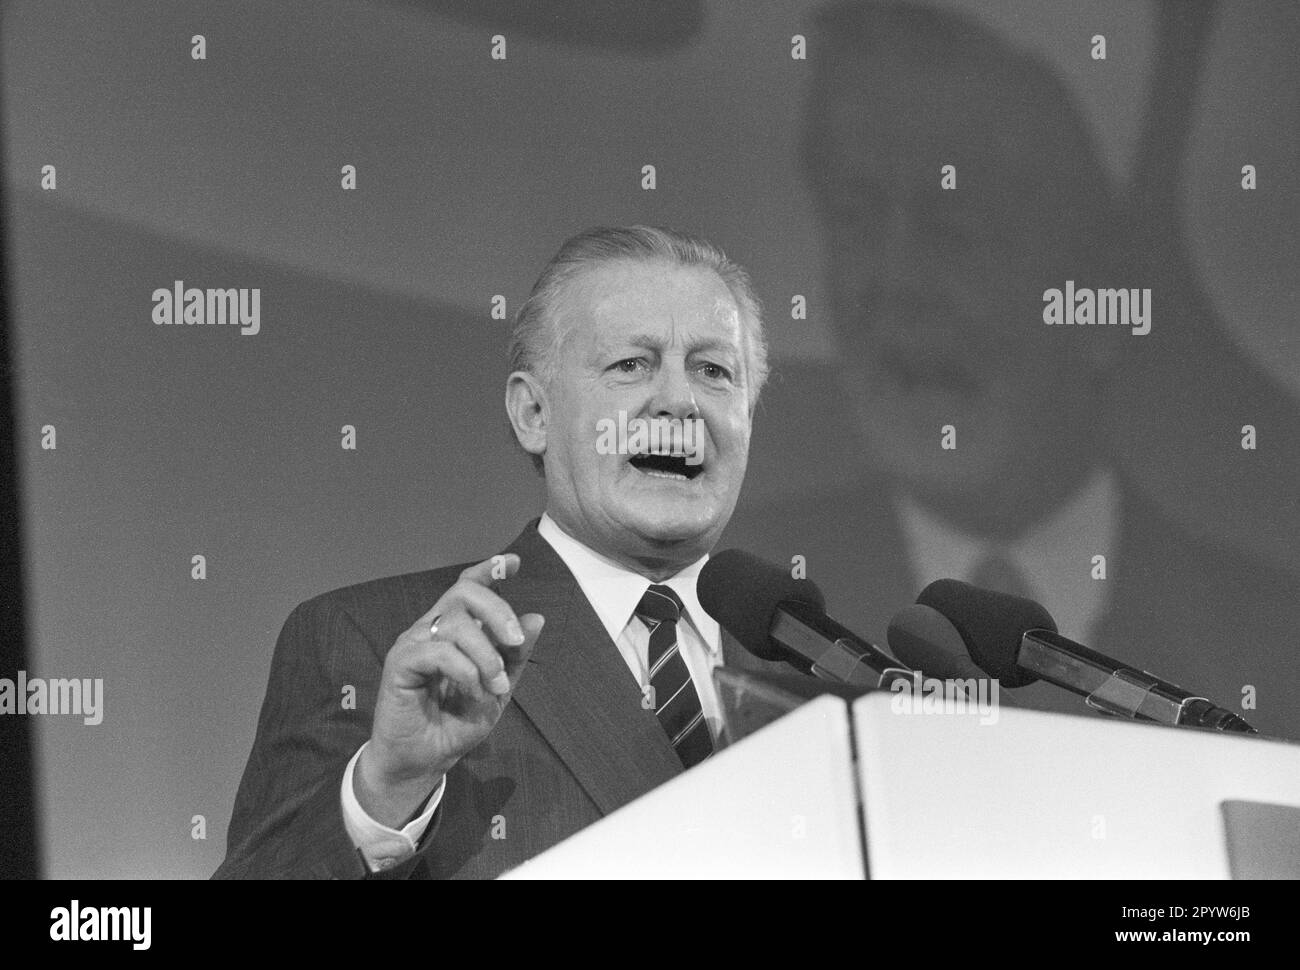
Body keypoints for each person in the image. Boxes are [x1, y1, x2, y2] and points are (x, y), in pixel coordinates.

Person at [725, 1, 1300, 738]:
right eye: (856, 216)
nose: (895, 279)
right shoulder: (747, 613)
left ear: (1100, 284)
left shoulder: (1267, 642)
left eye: (952, 224)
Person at [214, 226, 794, 879]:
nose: (680, 402)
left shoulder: (822, 686)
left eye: (713, 371)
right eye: (632, 364)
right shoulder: (370, 644)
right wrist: (384, 792)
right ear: (532, 414)